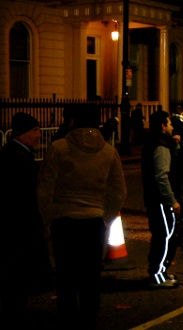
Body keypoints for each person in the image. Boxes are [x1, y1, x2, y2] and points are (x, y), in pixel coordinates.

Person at [37, 104, 127, 328]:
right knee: (90, 275)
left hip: (64, 220)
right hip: (94, 221)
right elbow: (118, 191)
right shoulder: (109, 152)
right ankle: (88, 318)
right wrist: (105, 217)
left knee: (66, 275)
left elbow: (45, 187)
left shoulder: (58, 148)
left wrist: (48, 218)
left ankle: (68, 319)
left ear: (74, 121)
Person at [0, 113, 53, 324]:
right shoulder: (19, 159)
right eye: (35, 131)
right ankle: (15, 311)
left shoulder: (14, 154)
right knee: (17, 270)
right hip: (19, 224)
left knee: (15, 270)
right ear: (22, 134)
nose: (39, 135)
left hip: (15, 223)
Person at [142, 110, 181, 288]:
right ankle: (157, 275)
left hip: (153, 198)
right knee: (164, 237)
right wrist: (171, 199)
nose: (172, 126)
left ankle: (160, 271)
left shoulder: (154, 142)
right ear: (163, 126)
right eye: (170, 123)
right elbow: (162, 176)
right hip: (160, 201)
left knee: (161, 235)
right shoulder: (161, 147)